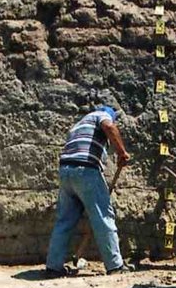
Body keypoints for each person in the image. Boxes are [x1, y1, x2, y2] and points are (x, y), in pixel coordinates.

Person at [45, 105, 135, 276]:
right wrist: (122, 153)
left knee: (64, 220)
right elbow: (109, 127)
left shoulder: (78, 125)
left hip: (65, 171)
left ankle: (53, 266)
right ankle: (115, 265)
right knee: (103, 217)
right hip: (85, 171)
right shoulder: (101, 116)